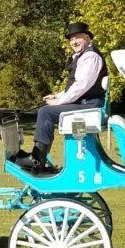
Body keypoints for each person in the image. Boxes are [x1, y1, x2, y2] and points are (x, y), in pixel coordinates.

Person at [15, 22, 107, 173]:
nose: (74, 42)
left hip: (89, 105)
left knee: (46, 112)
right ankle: (38, 158)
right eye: (71, 39)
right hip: (86, 103)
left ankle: (37, 160)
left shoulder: (90, 57)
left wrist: (59, 101)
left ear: (87, 38)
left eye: (77, 37)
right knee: (46, 110)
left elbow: (81, 86)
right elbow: (76, 86)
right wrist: (57, 95)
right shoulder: (83, 56)